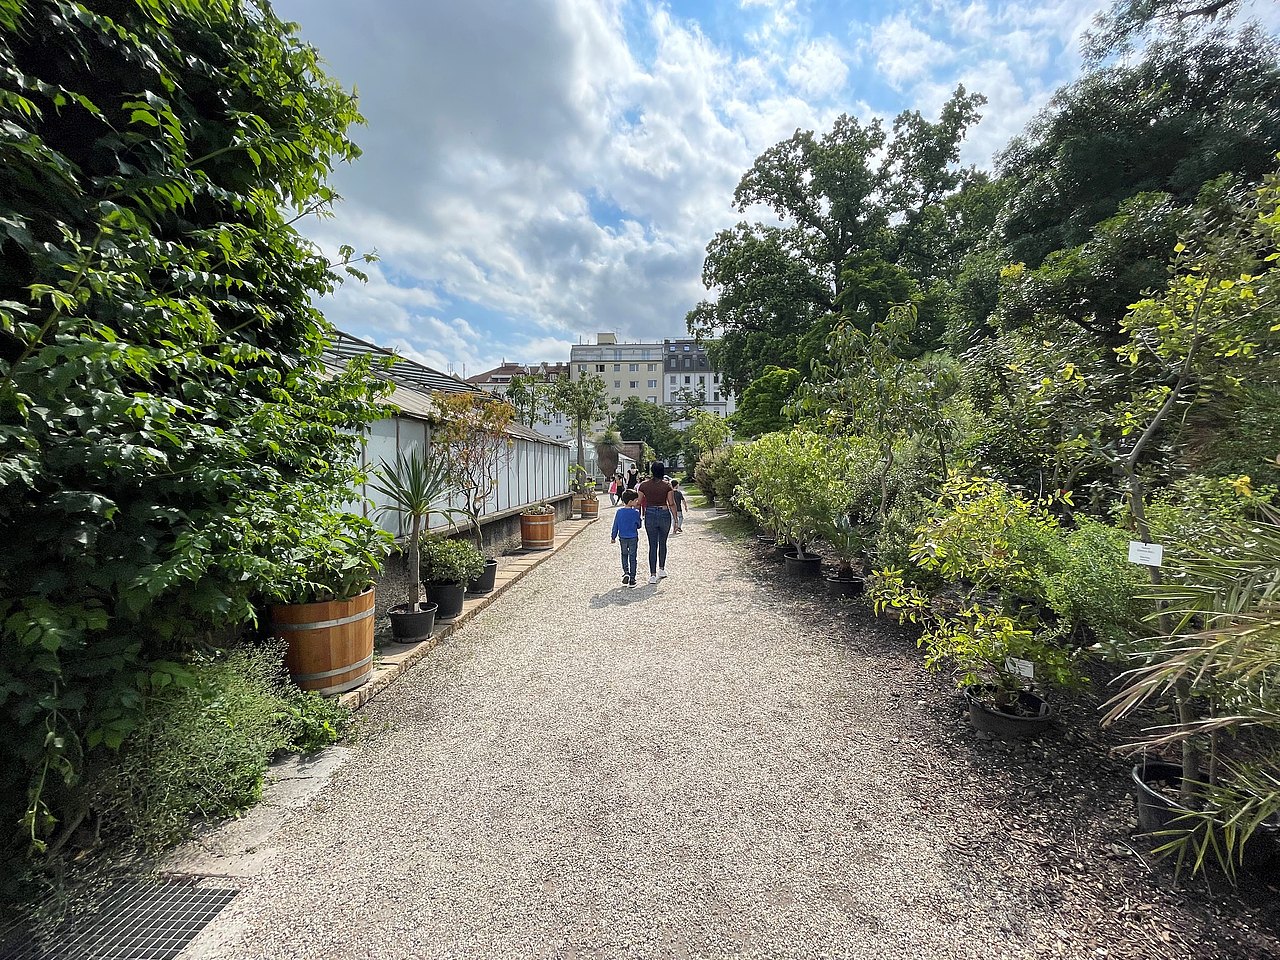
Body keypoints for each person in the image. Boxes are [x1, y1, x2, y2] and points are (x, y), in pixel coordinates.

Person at [637, 462, 676, 584]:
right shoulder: (667, 486)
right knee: (663, 543)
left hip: (650, 513)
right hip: (664, 512)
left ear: (652, 471)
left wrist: (638, 517)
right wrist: (676, 519)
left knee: (652, 545)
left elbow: (638, 502)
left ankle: (652, 574)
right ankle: (662, 569)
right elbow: (671, 503)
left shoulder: (644, 485)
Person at [610, 489, 642, 586]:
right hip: (633, 536)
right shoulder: (636, 512)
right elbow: (639, 525)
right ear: (630, 501)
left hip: (622, 537)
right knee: (633, 557)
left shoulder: (619, 512)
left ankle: (626, 572)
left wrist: (613, 536)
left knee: (624, 555)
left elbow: (615, 525)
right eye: (635, 500)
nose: (637, 501)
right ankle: (632, 578)